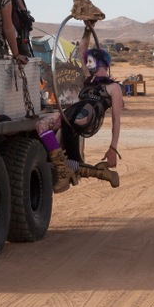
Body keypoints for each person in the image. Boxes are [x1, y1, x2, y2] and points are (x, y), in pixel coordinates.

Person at [35, 22, 123, 192]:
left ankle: (64, 171)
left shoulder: (114, 88)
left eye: (90, 62)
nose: (87, 65)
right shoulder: (88, 79)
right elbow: (82, 47)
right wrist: (87, 27)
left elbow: (116, 120)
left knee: (50, 131)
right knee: (49, 139)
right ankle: (100, 173)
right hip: (73, 114)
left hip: (85, 117)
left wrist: (113, 148)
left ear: (100, 62)